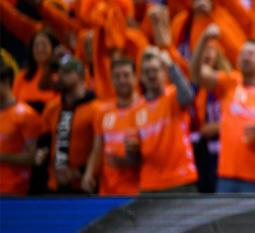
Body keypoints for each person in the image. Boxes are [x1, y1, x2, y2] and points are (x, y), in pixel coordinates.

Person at [191, 25, 255, 193]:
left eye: (251, 53)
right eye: (242, 53)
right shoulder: (229, 83)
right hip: (226, 176)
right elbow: (196, 74)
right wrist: (204, 38)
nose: (245, 56)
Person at [133, 46, 198, 194]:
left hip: (180, 179)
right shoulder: (136, 108)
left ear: (164, 73)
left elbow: (188, 96)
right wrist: (130, 152)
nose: (151, 75)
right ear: (140, 76)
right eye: (146, 72)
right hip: (150, 183)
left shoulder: (173, 95)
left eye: (155, 70)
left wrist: (170, 64)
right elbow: (135, 152)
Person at [39, 55, 100, 194]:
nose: (60, 77)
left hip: (83, 186)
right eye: (59, 72)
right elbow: (45, 140)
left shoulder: (96, 108)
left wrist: (78, 172)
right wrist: (41, 152)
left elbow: (101, 149)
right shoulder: (51, 107)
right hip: (54, 186)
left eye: (66, 73)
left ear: (80, 77)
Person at [82, 58, 142, 196]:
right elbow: (98, 148)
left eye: (126, 75)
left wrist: (129, 161)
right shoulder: (103, 111)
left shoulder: (144, 109)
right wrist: (89, 173)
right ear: (111, 80)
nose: (122, 80)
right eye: (117, 76)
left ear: (136, 78)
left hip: (137, 190)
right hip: (108, 191)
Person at [0, 58, 44, 196]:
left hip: (13, 191)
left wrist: (1, 157)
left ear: (6, 82)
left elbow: (33, 157)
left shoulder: (26, 114)